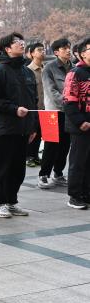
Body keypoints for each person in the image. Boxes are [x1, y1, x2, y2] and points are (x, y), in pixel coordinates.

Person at [0, 32, 38, 218]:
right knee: (2, 167)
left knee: (18, 169)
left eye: (22, 41)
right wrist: (14, 109)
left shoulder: (27, 72)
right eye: (16, 42)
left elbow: (33, 101)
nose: (22, 44)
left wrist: (33, 126)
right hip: (6, 128)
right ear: (7, 48)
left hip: (24, 128)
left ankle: (11, 201)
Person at [38, 38, 73, 189]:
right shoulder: (49, 68)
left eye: (69, 47)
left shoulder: (73, 68)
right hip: (52, 112)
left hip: (69, 112)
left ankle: (58, 173)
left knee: (65, 144)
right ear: (56, 52)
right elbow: (51, 91)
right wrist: (69, 103)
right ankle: (43, 175)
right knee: (51, 144)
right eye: (64, 48)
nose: (68, 50)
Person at [63, 37, 90, 209]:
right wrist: (80, 122)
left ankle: (86, 193)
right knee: (78, 162)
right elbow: (68, 100)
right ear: (82, 54)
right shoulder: (75, 73)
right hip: (81, 126)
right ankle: (74, 195)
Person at [26, 43, 46, 167]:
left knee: (40, 133)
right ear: (32, 53)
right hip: (33, 108)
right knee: (32, 132)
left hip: (45, 108)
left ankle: (35, 155)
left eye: (43, 49)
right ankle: (29, 156)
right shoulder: (28, 70)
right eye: (39, 50)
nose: (42, 52)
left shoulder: (46, 70)